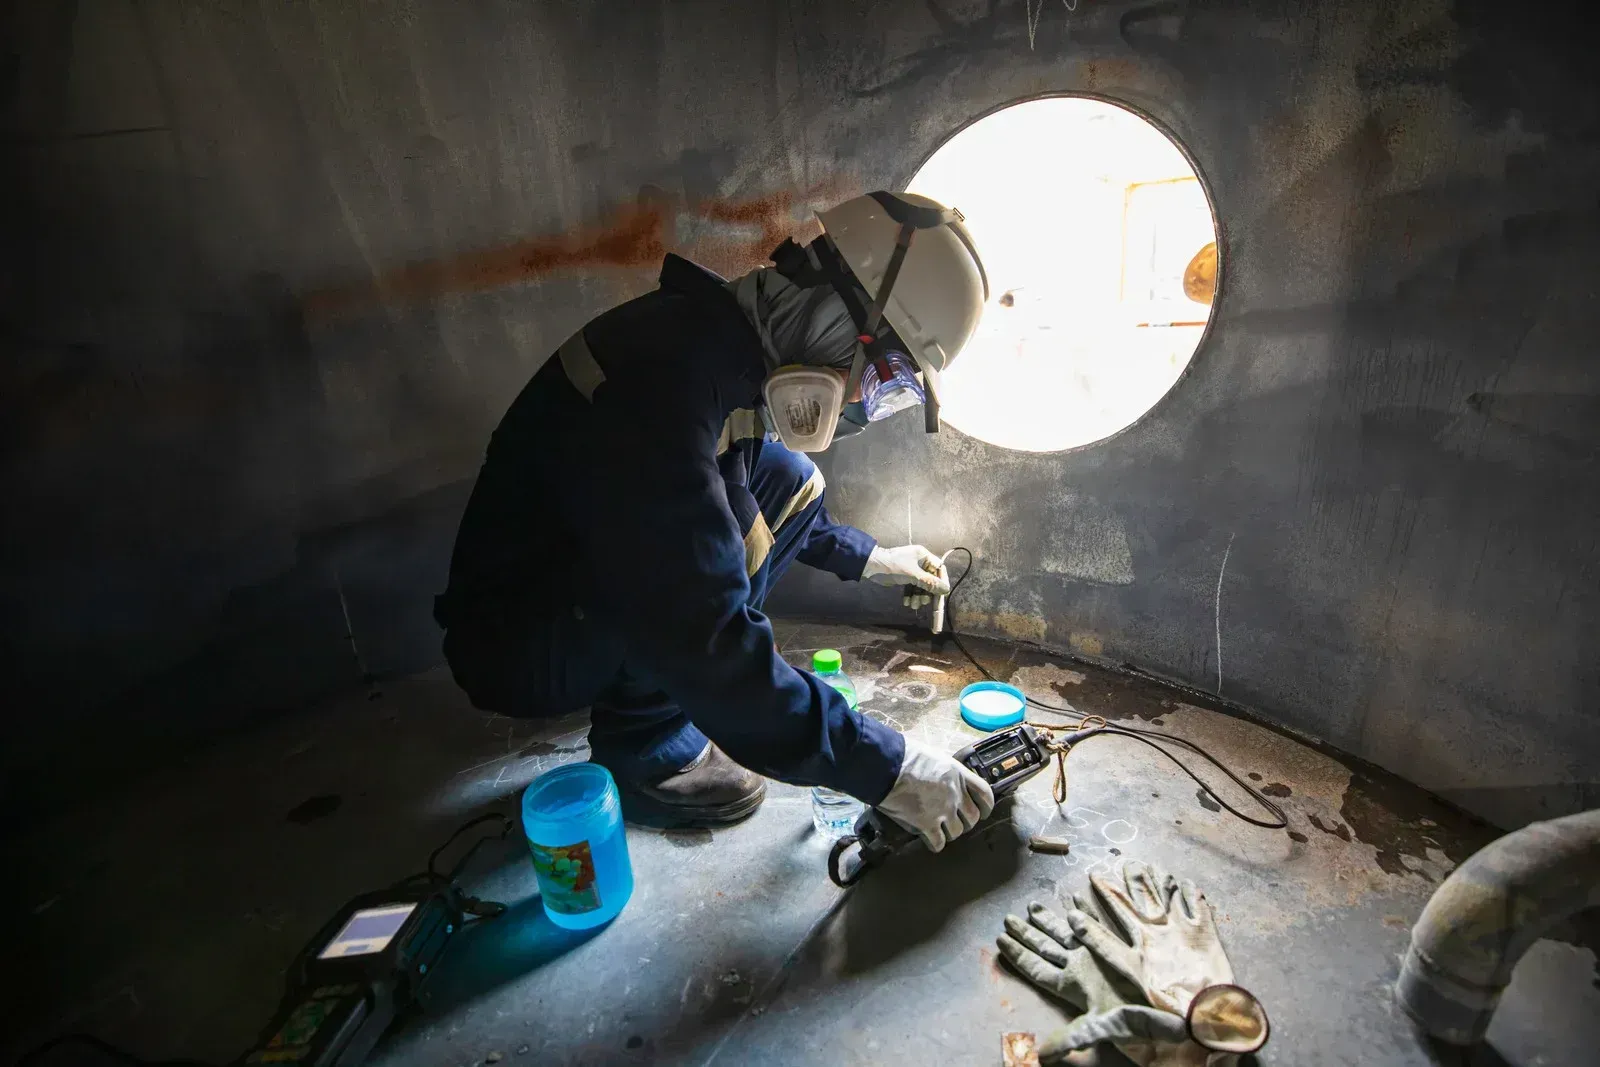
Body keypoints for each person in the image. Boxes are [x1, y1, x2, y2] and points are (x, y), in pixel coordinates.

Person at [434, 191, 995, 851]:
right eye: (884, 376)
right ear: (835, 310)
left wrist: (873, 558)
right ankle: (646, 751)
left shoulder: (713, 347)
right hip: (517, 641)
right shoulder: (658, 394)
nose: (861, 405)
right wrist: (889, 765)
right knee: (701, 575)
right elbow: (705, 630)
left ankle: (665, 709)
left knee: (789, 479)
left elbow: (760, 503)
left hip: (567, 579)